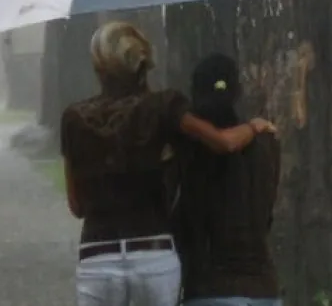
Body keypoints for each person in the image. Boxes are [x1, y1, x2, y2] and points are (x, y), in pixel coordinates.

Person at [60, 22, 276, 306]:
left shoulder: (74, 119)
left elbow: (76, 206)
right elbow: (224, 142)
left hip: (97, 257)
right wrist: (254, 126)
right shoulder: (162, 107)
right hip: (152, 254)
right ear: (144, 64)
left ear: (99, 69)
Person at [173, 53, 281, 306]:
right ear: (237, 92)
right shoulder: (267, 143)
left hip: (208, 288)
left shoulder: (185, 149)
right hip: (263, 288)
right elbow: (265, 213)